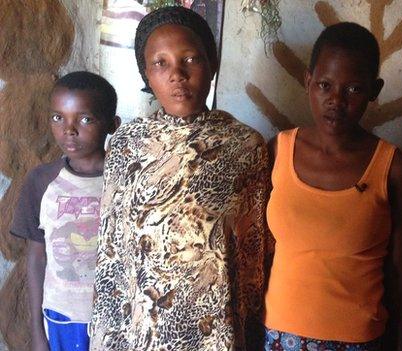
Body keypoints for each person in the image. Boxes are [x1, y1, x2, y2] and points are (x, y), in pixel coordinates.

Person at [89, 6, 270, 350]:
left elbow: (253, 255)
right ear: (146, 73)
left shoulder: (245, 146)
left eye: (191, 59)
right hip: (144, 332)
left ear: (212, 64)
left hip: (215, 329)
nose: (177, 75)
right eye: (161, 63)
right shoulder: (127, 144)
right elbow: (113, 252)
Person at [263, 22, 402, 351]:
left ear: (374, 90)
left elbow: (400, 268)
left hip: (359, 341)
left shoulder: (394, 169)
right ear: (308, 81)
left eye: (354, 89)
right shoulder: (277, 151)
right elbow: (259, 252)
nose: (336, 100)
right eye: (324, 85)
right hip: (278, 336)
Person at [10, 71, 120, 351]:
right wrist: (37, 331)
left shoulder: (126, 182)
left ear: (112, 124)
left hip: (117, 317)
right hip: (61, 317)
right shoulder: (41, 181)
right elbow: (36, 258)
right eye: (58, 117)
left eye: (85, 119)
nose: (68, 129)